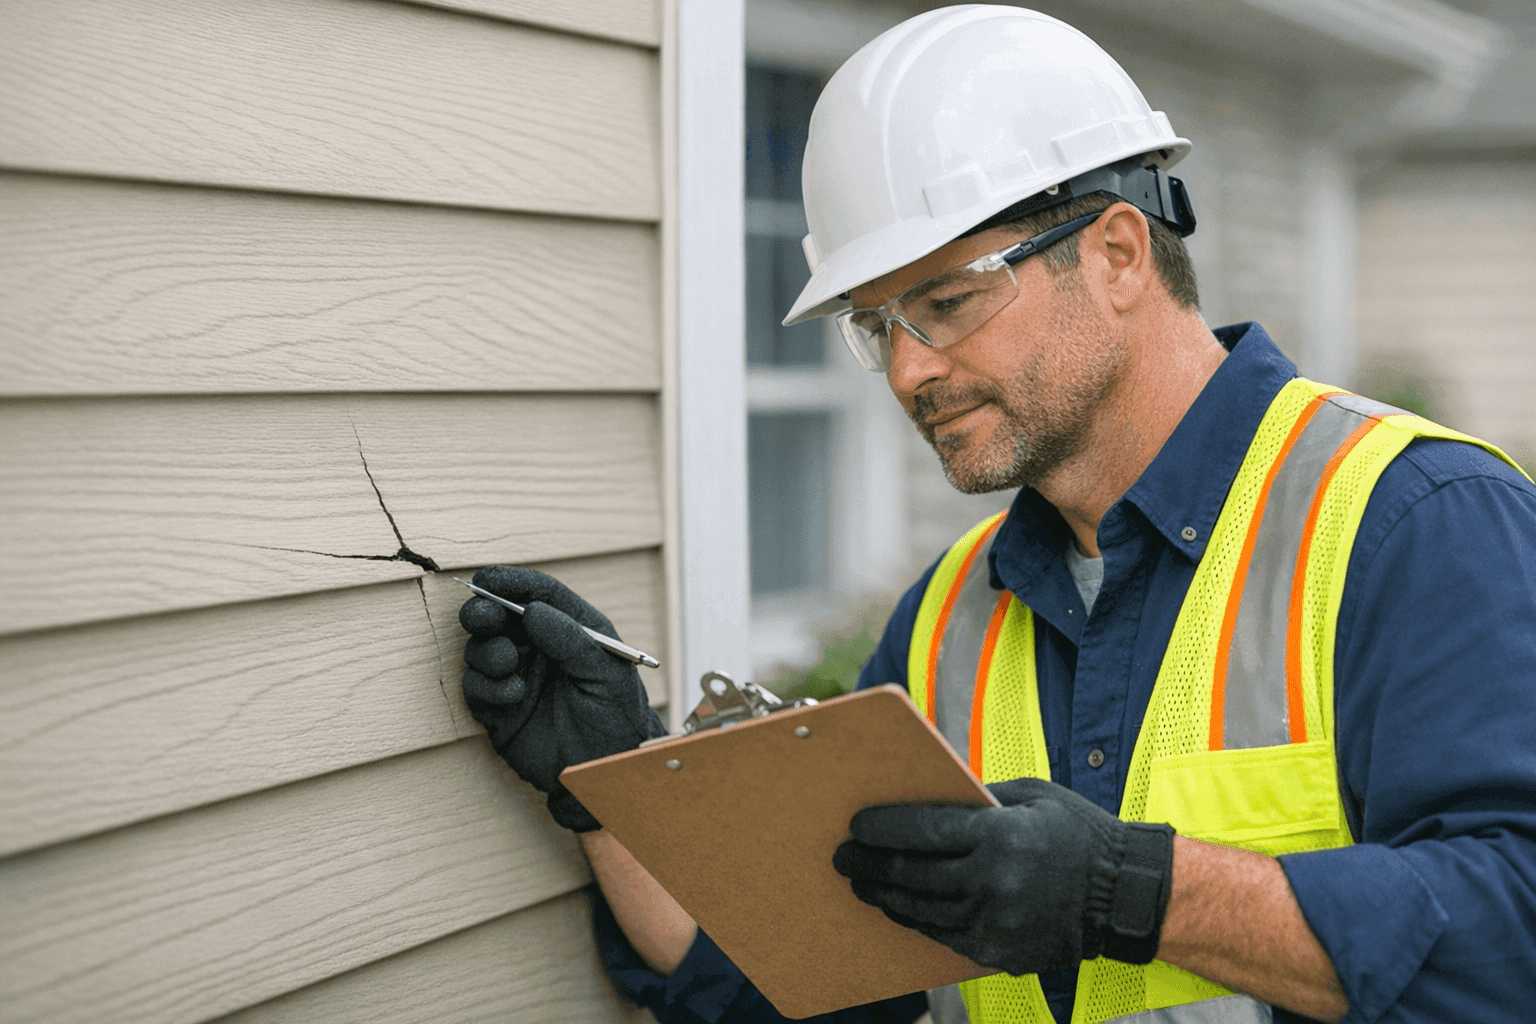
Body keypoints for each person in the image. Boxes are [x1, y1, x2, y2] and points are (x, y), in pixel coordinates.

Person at [456, 7, 1536, 1024]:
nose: (909, 369)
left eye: (948, 299)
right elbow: (805, 986)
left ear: (1116, 254)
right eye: (877, 325)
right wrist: (610, 787)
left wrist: (1135, 892)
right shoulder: (942, 624)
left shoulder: (1416, 521)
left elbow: (1513, 930)